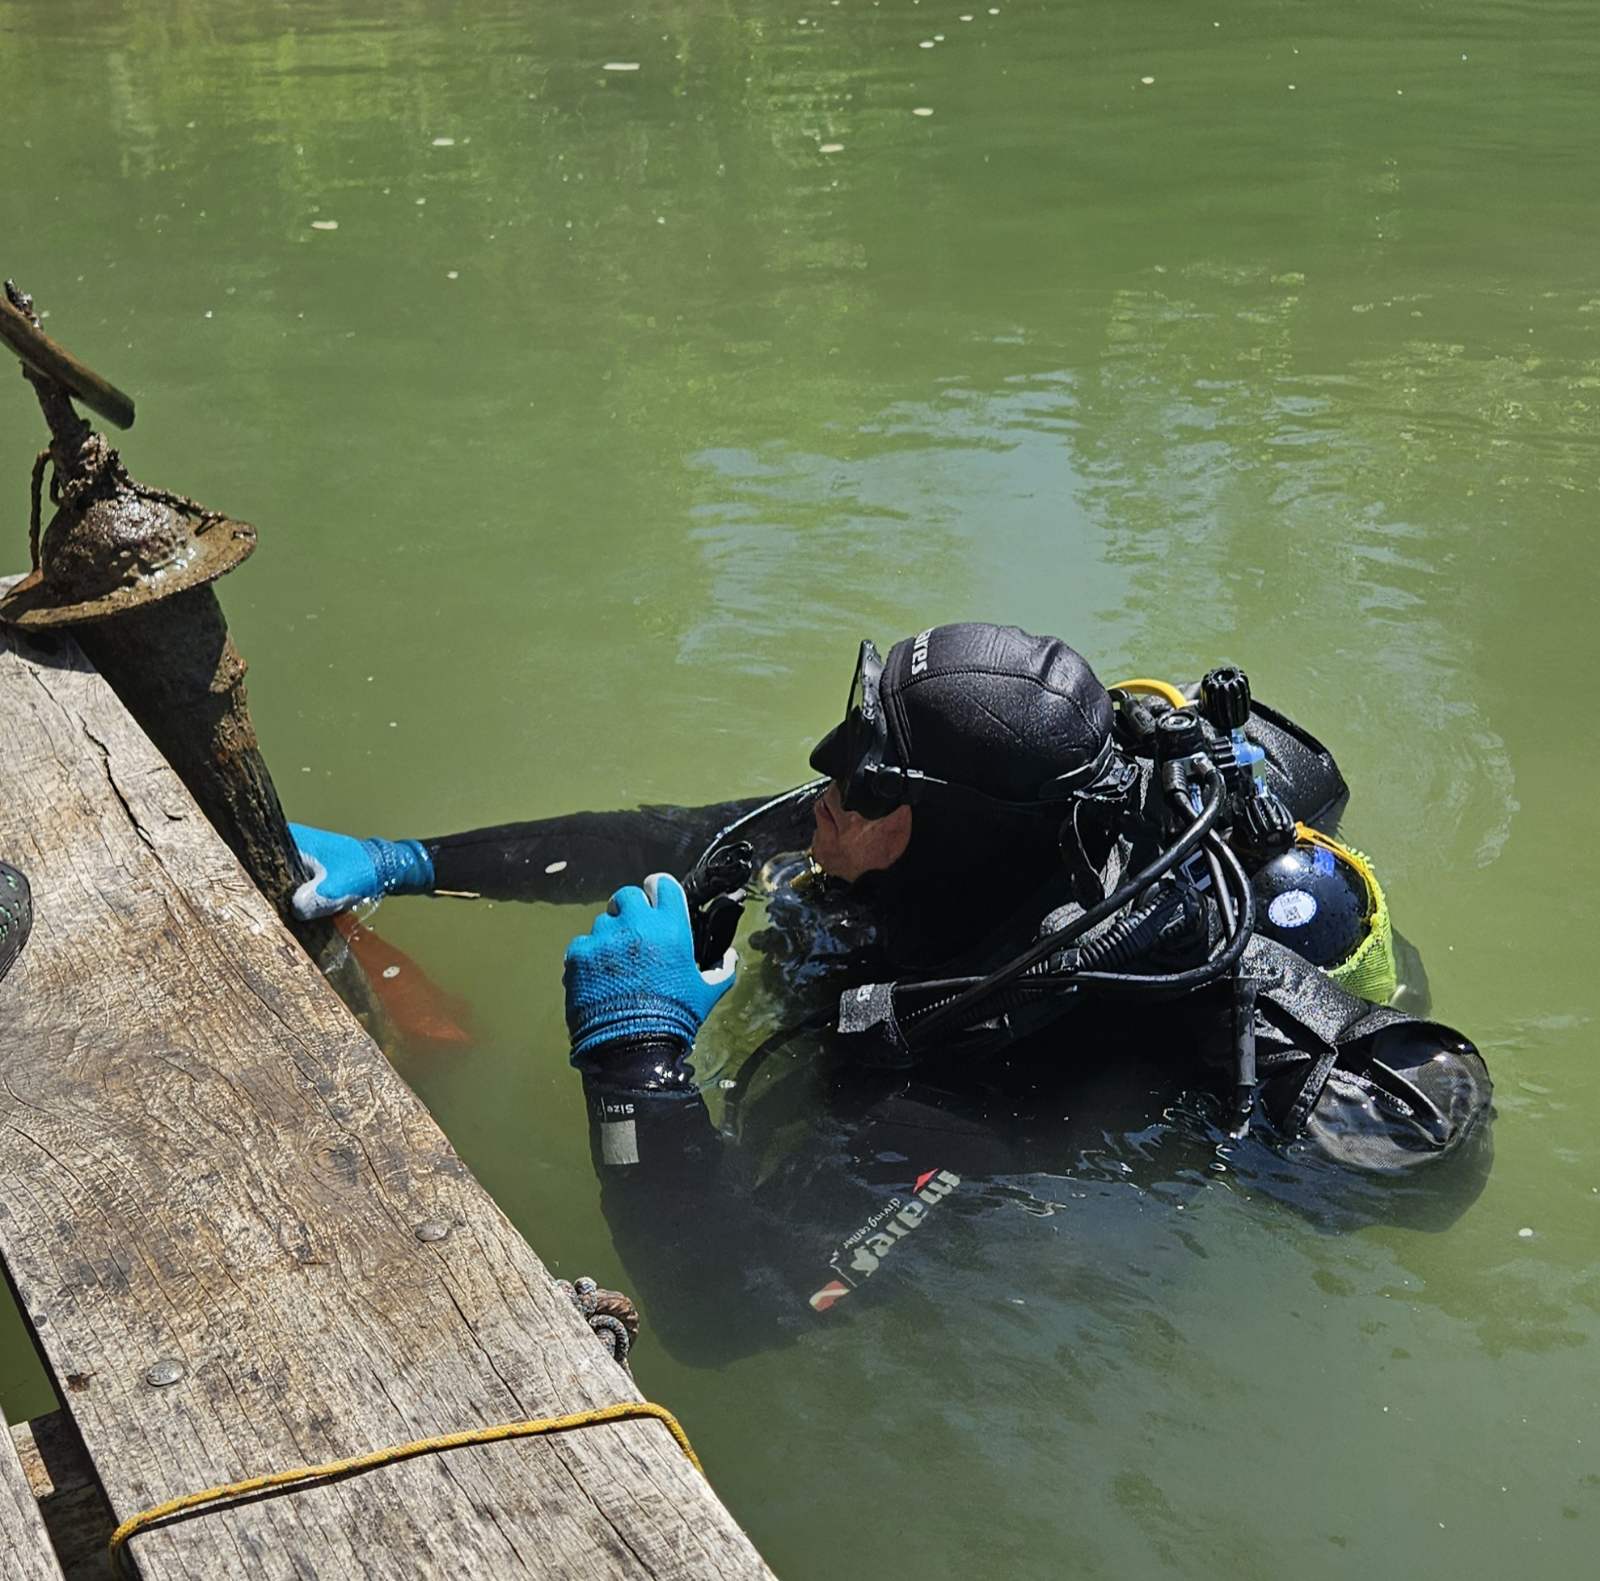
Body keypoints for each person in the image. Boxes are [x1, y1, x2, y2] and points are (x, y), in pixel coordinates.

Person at [291, 624, 1491, 1358]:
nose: (824, 788)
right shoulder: (932, 830)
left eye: (863, 782)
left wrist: (635, 1062)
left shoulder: (995, 1064)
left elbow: (728, 1317)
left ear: (945, 828)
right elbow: (684, 839)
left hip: (1061, 1169)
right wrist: (408, 863)